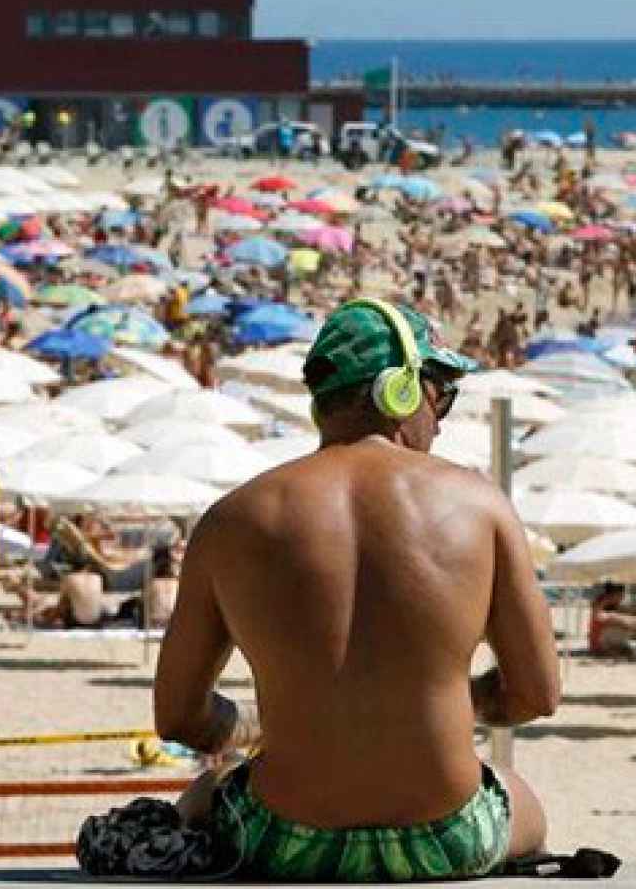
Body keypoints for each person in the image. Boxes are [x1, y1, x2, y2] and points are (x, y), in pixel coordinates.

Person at [152, 299, 559, 882]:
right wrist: (417, 706)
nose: (439, 418)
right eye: (439, 391)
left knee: (205, 794)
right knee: (520, 797)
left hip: (281, 839)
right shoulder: (479, 505)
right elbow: (535, 695)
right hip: (447, 838)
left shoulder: (231, 519)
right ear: (400, 391)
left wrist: (273, 724)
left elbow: (178, 716)